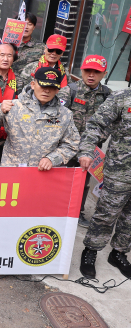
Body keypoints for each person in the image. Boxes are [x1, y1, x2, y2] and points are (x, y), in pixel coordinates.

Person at [77, 87, 131, 280]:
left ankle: (118, 253)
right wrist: (85, 150)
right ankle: (91, 251)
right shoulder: (122, 97)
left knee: (129, 219)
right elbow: (96, 125)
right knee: (106, 215)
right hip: (120, 171)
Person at [0, 67, 79, 168]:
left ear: (58, 90)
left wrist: (53, 159)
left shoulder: (65, 114)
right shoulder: (14, 106)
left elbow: (72, 144)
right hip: (12, 171)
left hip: (43, 174)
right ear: (33, 85)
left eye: (52, 87)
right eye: (43, 85)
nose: (47, 90)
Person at [58, 55, 112, 228]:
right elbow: (56, 118)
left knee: (82, 182)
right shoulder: (69, 91)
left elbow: (111, 123)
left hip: (91, 150)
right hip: (67, 146)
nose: (91, 75)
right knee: (60, 179)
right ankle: (57, 209)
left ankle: (77, 212)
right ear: (81, 71)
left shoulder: (108, 96)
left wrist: (99, 140)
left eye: (96, 72)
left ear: (104, 73)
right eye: (88, 70)